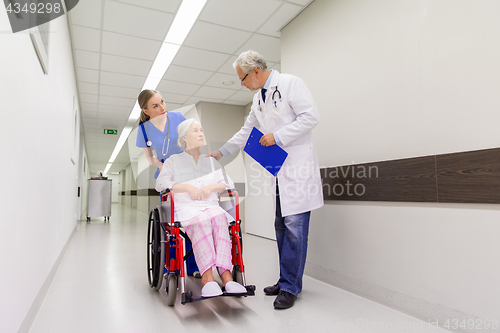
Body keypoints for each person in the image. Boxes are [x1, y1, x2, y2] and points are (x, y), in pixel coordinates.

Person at [209, 50, 324, 309]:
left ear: (256, 72)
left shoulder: (290, 83)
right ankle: (285, 280)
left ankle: (291, 288)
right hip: (281, 172)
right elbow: (246, 131)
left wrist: (277, 136)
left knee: (295, 230)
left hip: (298, 169)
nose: (241, 83)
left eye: (242, 78)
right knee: (281, 226)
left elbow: (311, 117)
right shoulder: (258, 99)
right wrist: (221, 152)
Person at [156, 119, 247, 297]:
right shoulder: (173, 161)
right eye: (195, 131)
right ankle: (207, 278)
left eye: (201, 130)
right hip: (187, 209)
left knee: (220, 219)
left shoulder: (211, 162)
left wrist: (211, 188)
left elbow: (227, 183)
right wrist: (187, 187)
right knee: (202, 221)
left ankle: (227, 277)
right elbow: (161, 184)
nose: (200, 134)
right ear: (184, 138)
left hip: (211, 206)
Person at [136, 89, 200, 278]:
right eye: (155, 105)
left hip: (187, 172)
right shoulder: (143, 129)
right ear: (146, 111)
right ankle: (171, 267)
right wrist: (164, 165)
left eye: (162, 102)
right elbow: (150, 157)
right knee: (170, 224)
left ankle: (194, 266)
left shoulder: (178, 117)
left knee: (191, 220)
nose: (162, 107)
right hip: (167, 177)